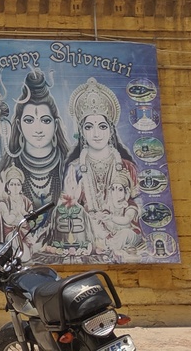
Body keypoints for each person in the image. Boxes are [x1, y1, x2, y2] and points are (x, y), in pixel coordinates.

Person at [0, 66, 71, 253]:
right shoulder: (6, 170)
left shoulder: (70, 166)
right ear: (18, 124)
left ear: (56, 124)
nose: (38, 129)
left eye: (45, 120)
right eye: (29, 120)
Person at [59, 77, 141, 262]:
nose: (96, 134)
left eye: (102, 126)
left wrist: (119, 217)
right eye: (89, 127)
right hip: (90, 229)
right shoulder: (74, 169)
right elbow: (67, 209)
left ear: (111, 131)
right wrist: (75, 204)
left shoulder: (127, 167)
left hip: (121, 229)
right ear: (82, 132)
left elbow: (137, 205)